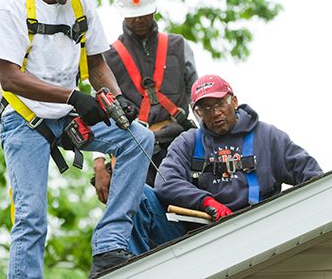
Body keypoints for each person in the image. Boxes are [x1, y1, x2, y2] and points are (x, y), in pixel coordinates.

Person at [0, 0, 154, 278]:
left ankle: (110, 243)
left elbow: (96, 65)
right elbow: (9, 78)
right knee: (31, 217)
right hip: (25, 119)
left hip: (66, 116)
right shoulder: (10, 5)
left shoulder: (81, 5)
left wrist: (117, 97)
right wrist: (73, 96)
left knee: (139, 138)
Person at [126, 74, 324, 255]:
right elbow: (165, 182)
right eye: (206, 108)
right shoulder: (188, 142)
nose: (215, 113)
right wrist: (206, 202)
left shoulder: (268, 137)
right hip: (199, 238)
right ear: (198, 113)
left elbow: (311, 175)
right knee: (139, 191)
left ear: (234, 101)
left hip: (260, 231)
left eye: (220, 103)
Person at [92, 0, 198, 191]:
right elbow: (99, 113)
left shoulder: (178, 46)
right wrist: (99, 164)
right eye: (133, 14)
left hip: (180, 145)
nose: (139, 19)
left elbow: (197, 97)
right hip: (134, 151)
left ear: (155, 6)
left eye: (144, 13)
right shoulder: (107, 59)